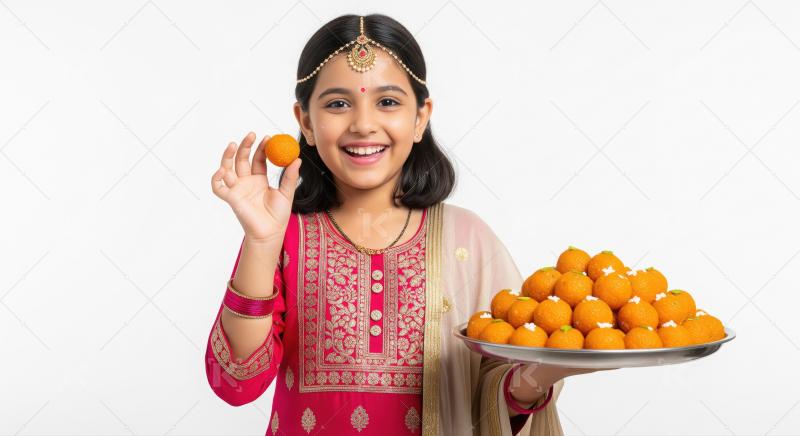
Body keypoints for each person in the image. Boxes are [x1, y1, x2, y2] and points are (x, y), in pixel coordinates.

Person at [206, 13, 610, 435]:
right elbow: (235, 381)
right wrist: (261, 242)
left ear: (420, 117)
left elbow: (500, 399)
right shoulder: (284, 236)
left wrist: (543, 374)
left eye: (387, 102)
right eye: (338, 103)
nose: (364, 124)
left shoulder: (466, 239)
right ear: (305, 121)